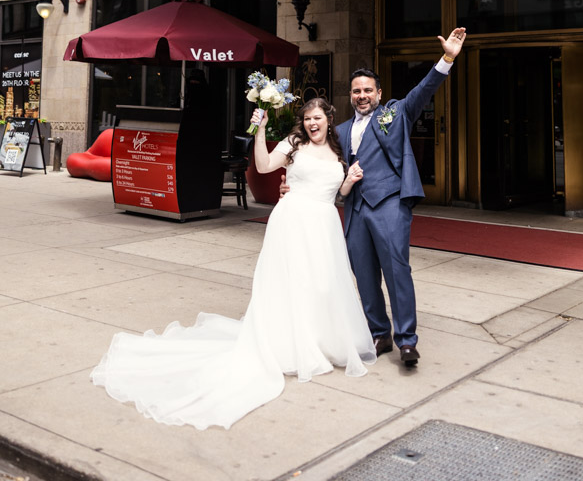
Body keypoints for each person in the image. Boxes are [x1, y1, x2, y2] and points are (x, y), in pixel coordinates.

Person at [90, 98, 375, 431]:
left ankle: (318, 340)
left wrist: (350, 181)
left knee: (322, 285)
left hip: (325, 225)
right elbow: (265, 165)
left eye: (319, 118)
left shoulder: (339, 154)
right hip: (294, 222)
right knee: (293, 283)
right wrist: (261, 130)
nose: (313, 123)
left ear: (329, 119)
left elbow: (335, 193)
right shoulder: (293, 145)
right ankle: (292, 345)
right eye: (308, 118)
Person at [281, 27, 466, 368]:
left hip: (390, 205)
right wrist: (292, 184)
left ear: (379, 93)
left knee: (397, 272)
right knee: (364, 276)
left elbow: (424, 90)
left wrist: (447, 58)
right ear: (349, 96)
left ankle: (407, 341)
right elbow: (317, 164)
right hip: (354, 211)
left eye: (367, 90)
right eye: (356, 91)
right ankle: (379, 333)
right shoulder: (339, 131)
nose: (362, 95)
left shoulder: (395, 113)